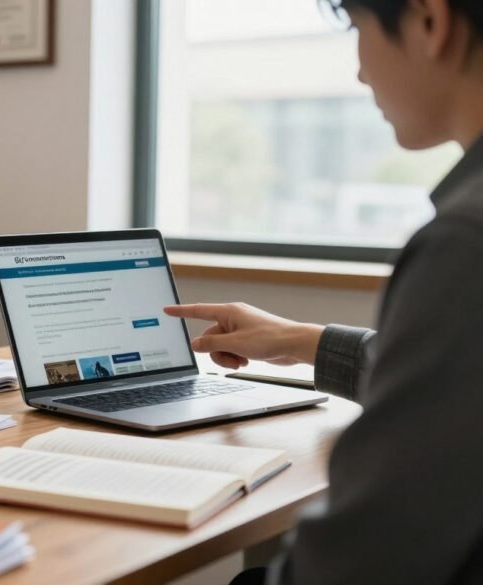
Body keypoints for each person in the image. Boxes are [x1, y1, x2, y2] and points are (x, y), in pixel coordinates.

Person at [164, 0, 483, 583]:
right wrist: (302, 341)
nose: (360, 71)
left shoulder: (464, 244)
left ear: (431, 23)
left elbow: (358, 560)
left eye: (359, 29)